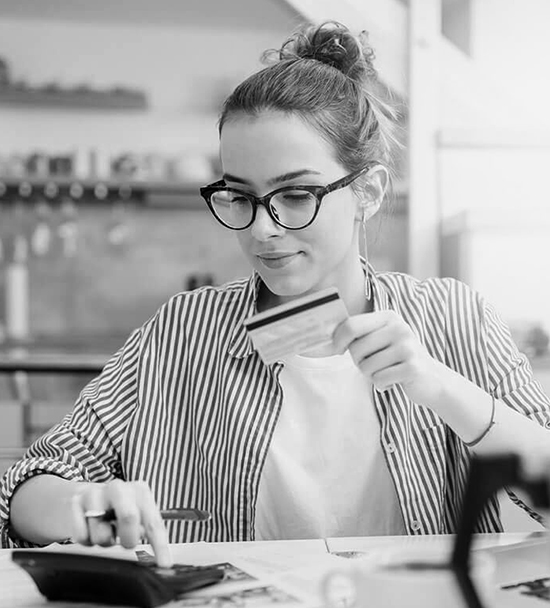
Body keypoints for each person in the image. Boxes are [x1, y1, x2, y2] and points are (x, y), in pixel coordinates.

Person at [1, 21, 550, 567]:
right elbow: (25, 489)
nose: (263, 228)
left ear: (368, 192)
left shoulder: (455, 317)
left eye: (294, 194)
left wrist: (437, 385)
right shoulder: (184, 331)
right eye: (239, 196)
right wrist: (80, 505)